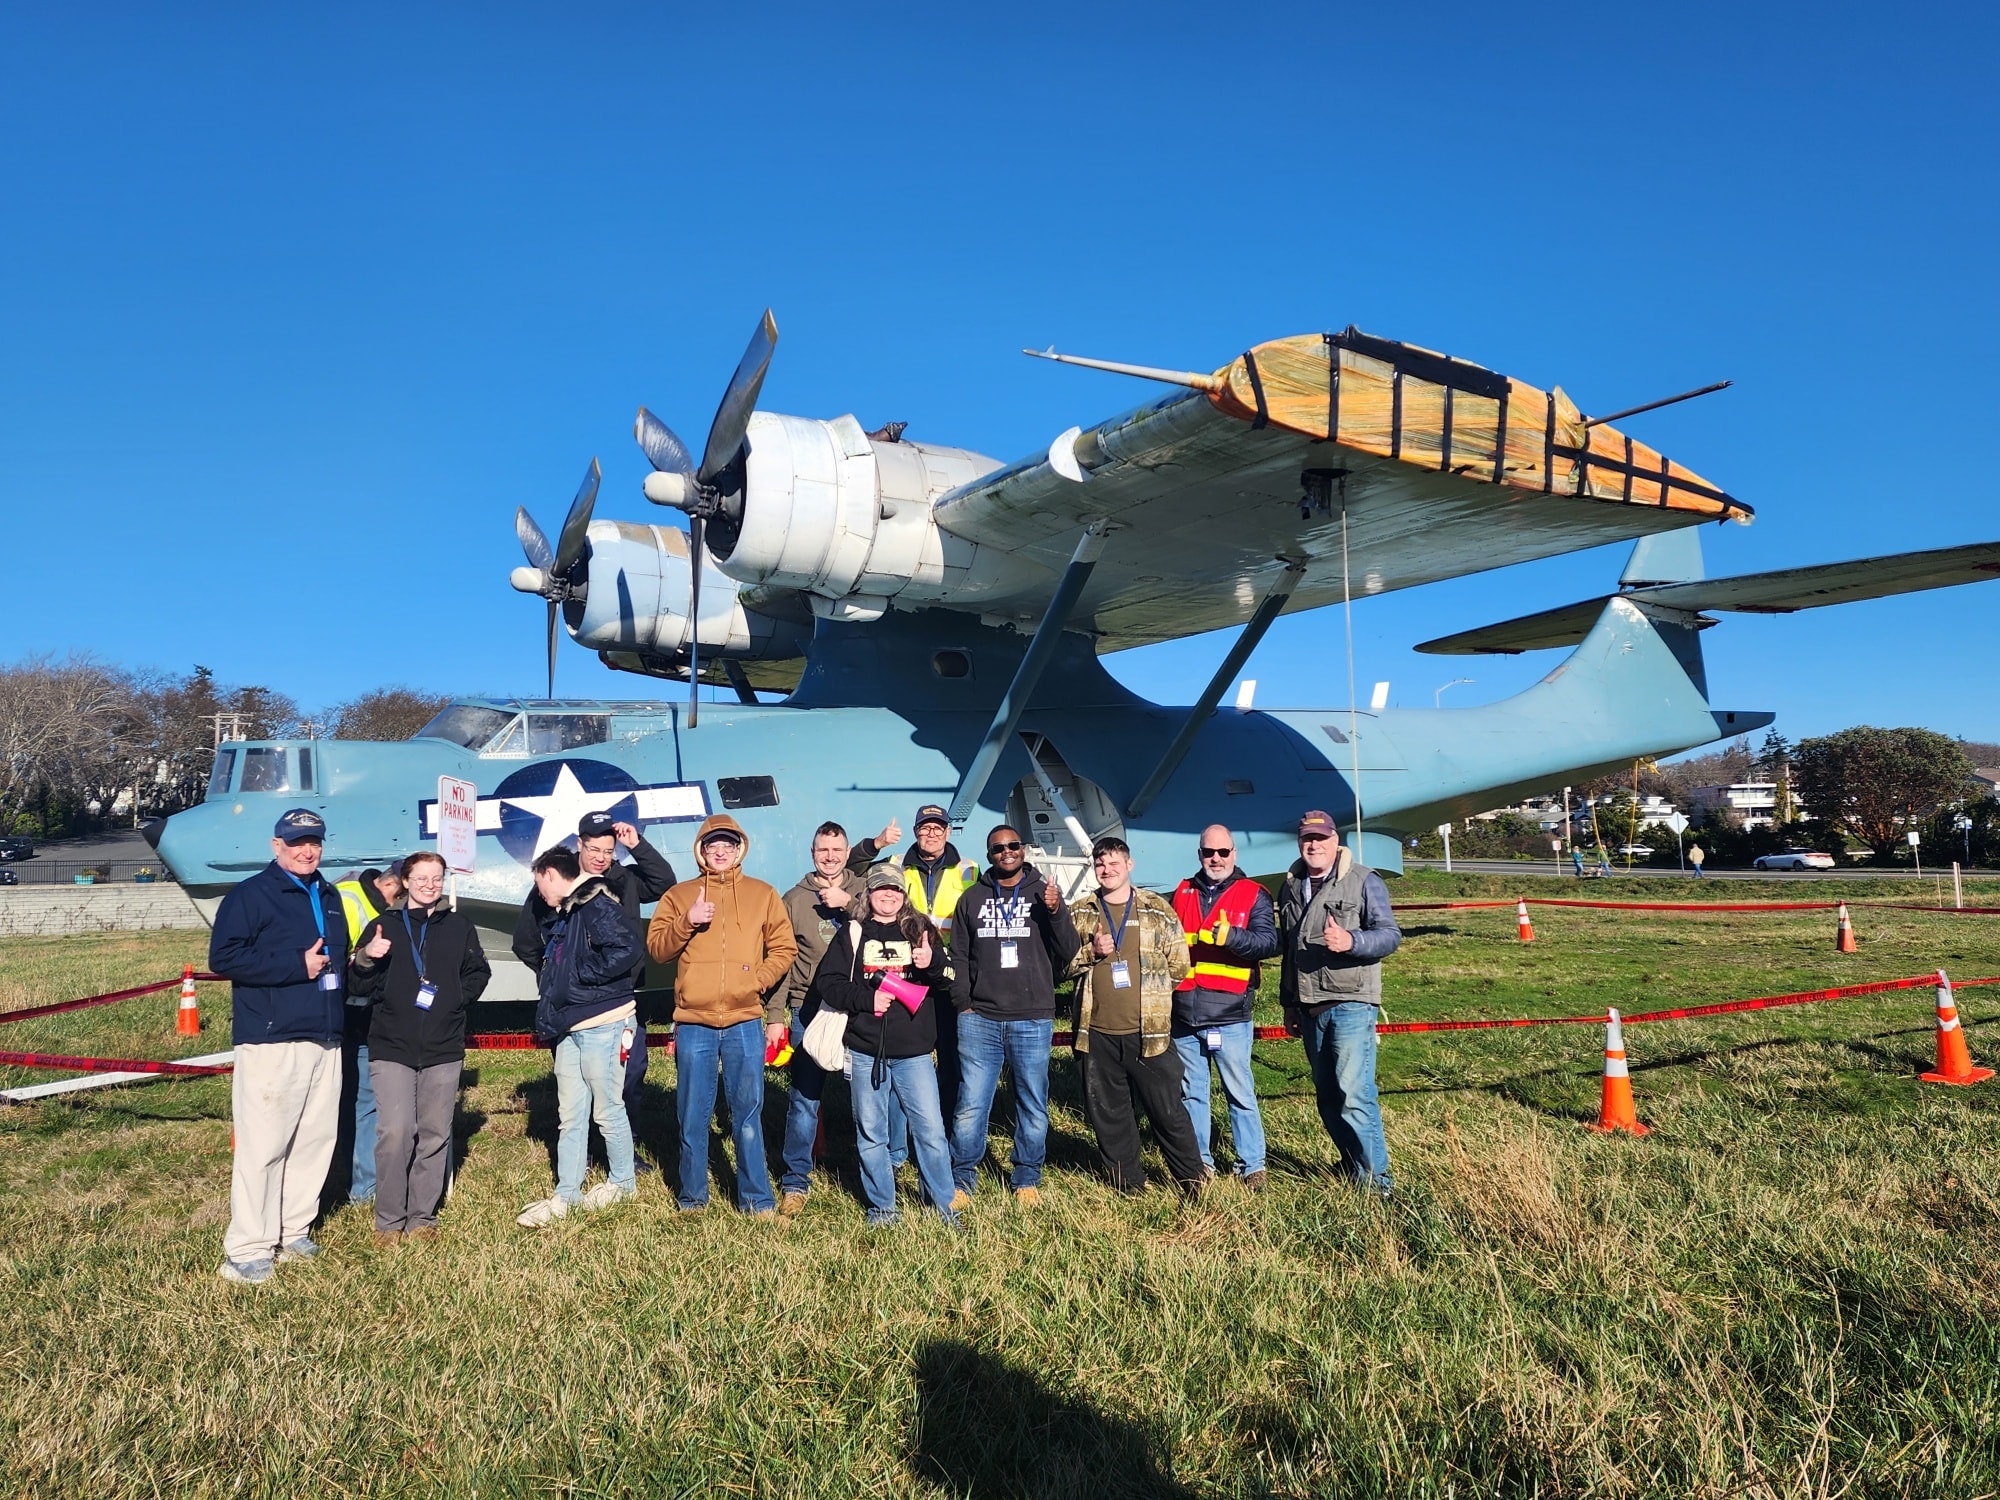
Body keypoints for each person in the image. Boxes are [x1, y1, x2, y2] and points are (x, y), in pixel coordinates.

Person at [207, 808, 350, 1285]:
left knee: (315, 1140)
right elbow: (224, 957)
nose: (306, 851)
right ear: (276, 846)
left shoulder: (329, 895)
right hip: (272, 1039)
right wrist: (295, 966)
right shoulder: (250, 895)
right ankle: (248, 1248)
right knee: (264, 1145)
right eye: (296, 843)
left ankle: (293, 1231)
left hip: (325, 1036)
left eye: (314, 842)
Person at [646, 815, 797, 1216]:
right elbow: (657, 950)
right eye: (712, 845)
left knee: (747, 1114)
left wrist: (757, 980)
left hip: (744, 1020)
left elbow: (784, 947)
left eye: (727, 845)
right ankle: (692, 1198)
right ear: (701, 850)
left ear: (739, 848)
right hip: (693, 1022)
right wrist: (688, 921)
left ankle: (756, 1199)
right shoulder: (679, 895)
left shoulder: (763, 894)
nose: (720, 851)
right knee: (692, 1114)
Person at [513, 811, 677, 1163]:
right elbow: (525, 941)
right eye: (593, 850)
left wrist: (638, 846)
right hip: (573, 1006)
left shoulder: (623, 879)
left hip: (622, 1000)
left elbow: (664, 881)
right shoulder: (556, 884)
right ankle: (584, 1152)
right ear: (579, 845)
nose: (601, 858)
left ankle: (624, 1150)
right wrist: (557, 976)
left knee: (630, 1073)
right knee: (579, 1082)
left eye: (608, 851)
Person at [347, 851, 490, 1245]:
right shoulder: (384, 925)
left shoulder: (460, 926)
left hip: (443, 1046)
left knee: (434, 1133)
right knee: (395, 1131)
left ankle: (422, 1218)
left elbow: (479, 972)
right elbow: (356, 985)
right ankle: (389, 1221)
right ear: (405, 882)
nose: (430, 885)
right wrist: (366, 958)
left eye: (437, 878)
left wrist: (455, 1000)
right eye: (422, 878)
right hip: (392, 1045)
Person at [809, 862, 960, 1228]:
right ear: (869, 894)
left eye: (894, 889)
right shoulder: (853, 933)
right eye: (880, 889)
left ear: (903, 895)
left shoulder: (921, 929)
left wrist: (932, 963)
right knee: (871, 1134)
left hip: (914, 1054)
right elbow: (827, 983)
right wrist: (866, 1000)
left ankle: (942, 1207)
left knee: (931, 1132)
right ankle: (882, 1209)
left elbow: (949, 978)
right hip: (864, 1052)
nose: (888, 895)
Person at [1066, 836, 1207, 1197]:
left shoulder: (1157, 909)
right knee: (1110, 1116)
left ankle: (1192, 1182)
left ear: (1129, 865)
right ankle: (1128, 1185)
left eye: (1114, 862)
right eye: (1100, 864)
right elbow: (1060, 966)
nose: (1107, 869)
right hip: (1096, 1033)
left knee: (1168, 1112)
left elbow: (1179, 964)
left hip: (1149, 1034)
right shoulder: (1080, 911)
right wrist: (1090, 952)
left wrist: (1152, 998)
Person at [776, 820, 905, 1215]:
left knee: (879, 1093)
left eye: (837, 850)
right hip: (810, 1008)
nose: (829, 857)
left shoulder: (865, 889)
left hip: (865, 1007)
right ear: (812, 854)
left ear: (847, 853)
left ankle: (889, 1168)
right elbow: (782, 959)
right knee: (804, 1097)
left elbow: (888, 927)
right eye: (822, 850)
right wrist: (775, 1014)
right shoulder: (794, 899)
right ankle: (796, 1180)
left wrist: (848, 902)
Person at [947, 825, 1079, 1208]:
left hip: (1032, 1017)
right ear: (989, 855)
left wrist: (1055, 910)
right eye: (998, 848)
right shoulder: (971, 899)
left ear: (1023, 849)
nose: (1007, 851)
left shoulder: (1043, 893)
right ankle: (962, 1178)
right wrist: (963, 1003)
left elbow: (1069, 949)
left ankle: (1026, 1177)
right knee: (971, 1104)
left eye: (1013, 845)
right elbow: (959, 954)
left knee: (1032, 1102)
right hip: (980, 1018)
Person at [516, 845, 645, 1227]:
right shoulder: (568, 913)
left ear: (551, 874)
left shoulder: (595, 905)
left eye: (539, 882)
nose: (539, 892)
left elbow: (628, 948)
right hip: (570, 1026)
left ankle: (622, 1182)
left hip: (604, 1021)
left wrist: (580, 977)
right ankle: (567, 1193)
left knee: (607, 1109)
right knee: (570, 1114)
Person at [1278, 810, 1401, 1197]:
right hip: (1309, 1006)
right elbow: (1289, 951)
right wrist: (1289, 1003)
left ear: (1336, 841)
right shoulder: (1290, 886)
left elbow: (1390, 935)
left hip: (1351, 1002)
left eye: (1321, 838)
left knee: (1354, 1094)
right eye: (1307, 839)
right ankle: (1352, 1164)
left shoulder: (1364, 880)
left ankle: (1378, 1185)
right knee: (1329, 1095)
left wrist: (1352, 941)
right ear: (1300, 843)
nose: (1314, 845)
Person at [1169, 825, 1279, 1190]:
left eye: (1223, 852)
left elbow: (1268, 942)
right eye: (1208, 852)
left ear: (1234, 853)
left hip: (1229, 1014)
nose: (1215, 859)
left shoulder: (1254, 894)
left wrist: (1232, 937)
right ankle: (1200, 1164)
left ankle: (1252, 1165)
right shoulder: (1181, 892)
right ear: (1199, 854)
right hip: (1184, 1013)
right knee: (1192, 1093)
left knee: (1239, 1092)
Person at [328, 865, 402, 1211]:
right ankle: (360, 1185)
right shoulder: (349, 902)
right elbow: (337, 961)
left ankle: (361, 1182)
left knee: (361, 1102)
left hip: (364, 1013)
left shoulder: (367, 902)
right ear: (390, 886)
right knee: (358, 1103)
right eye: (399, 898)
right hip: (347, 1012)